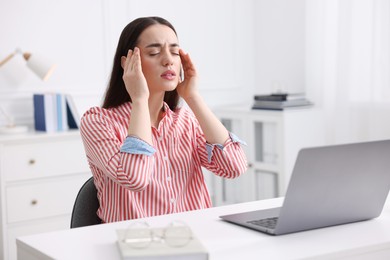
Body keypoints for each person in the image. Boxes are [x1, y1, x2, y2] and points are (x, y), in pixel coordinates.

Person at [80, 16, 247, 223]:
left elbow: (234, 167)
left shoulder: (185, 120)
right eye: (154, 52)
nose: (169, 60)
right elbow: (135, 178)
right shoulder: (99, 121)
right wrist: (139, 100)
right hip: (136, 244)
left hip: (195, 237)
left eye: (175, 52)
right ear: (128, 63)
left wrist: (193, 97)